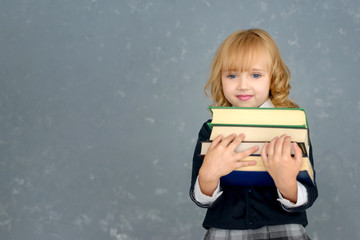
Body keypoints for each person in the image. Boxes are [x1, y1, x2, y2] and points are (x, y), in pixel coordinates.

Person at [189, 29, 318, 240]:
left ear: (272, 78)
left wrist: (286, 183)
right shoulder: (211, 130)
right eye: (231, 75)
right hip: (225, 232)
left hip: (285, 231)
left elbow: (309, 194)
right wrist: (208, 176)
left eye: (255, 75)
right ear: (220, 78)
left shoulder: (292, 126)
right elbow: (201, 199)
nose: (242, 85)